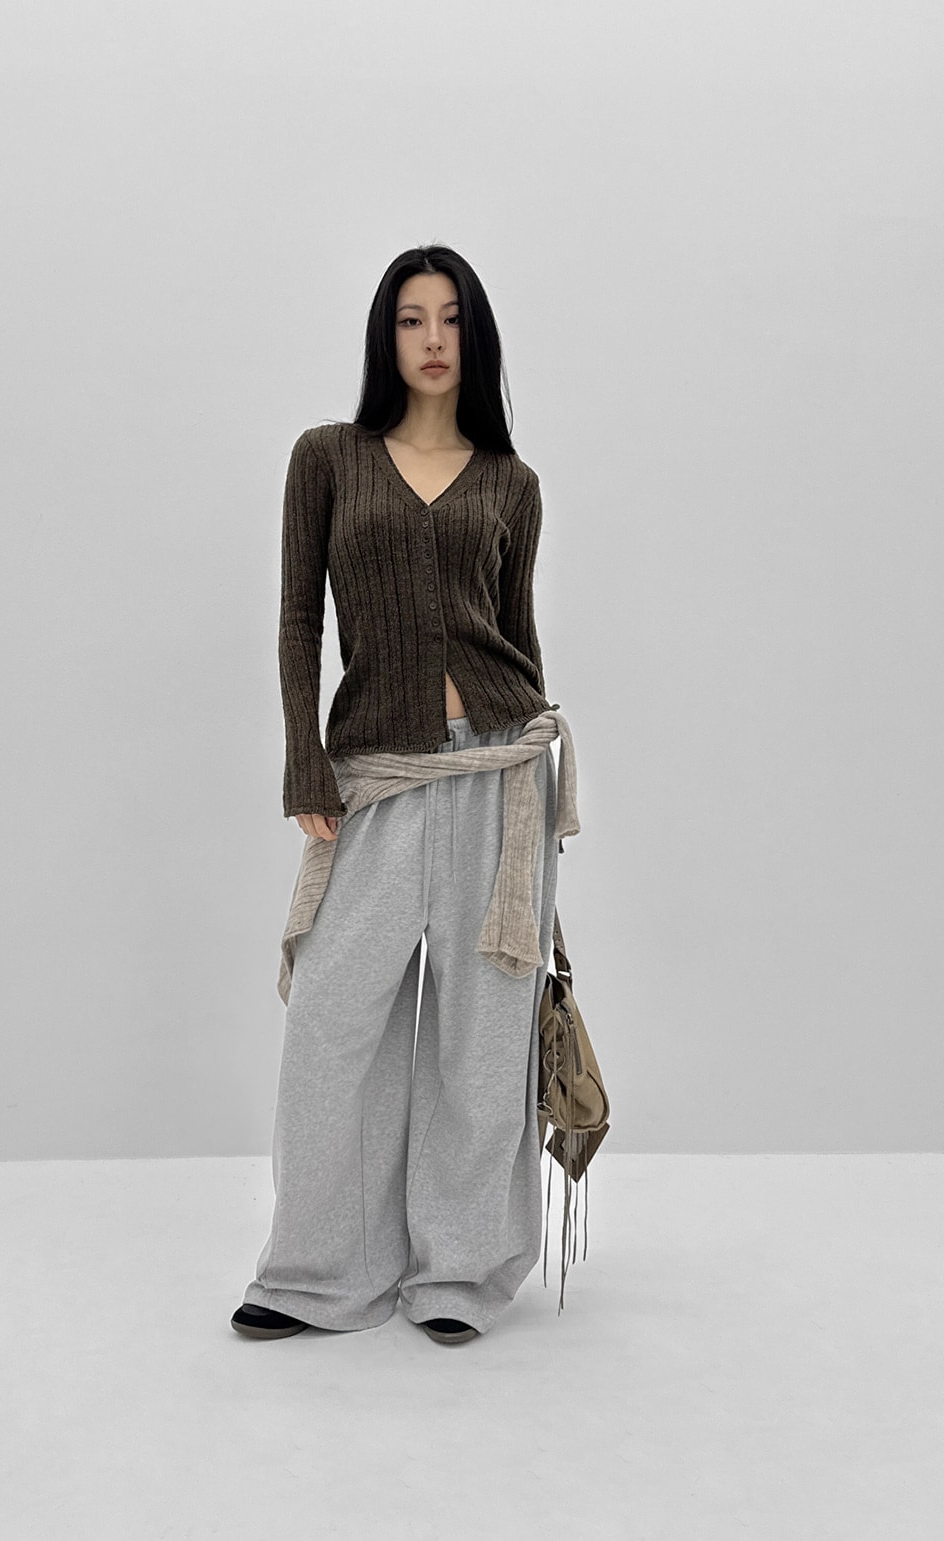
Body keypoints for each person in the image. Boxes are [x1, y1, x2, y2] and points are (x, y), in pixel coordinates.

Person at [231, 244, 571, 1346]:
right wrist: (303, 756)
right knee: (332, 1022)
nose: (432, 339)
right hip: (375, 771)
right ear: (385, 338)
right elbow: (299, 617)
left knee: (480, 1030)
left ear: (476, 338)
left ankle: (458, 1272)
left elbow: (516, 634)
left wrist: (538, 799)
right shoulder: (328, 457)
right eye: (411, 319)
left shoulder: (511, 482)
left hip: (500, 770)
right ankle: (318, 1269)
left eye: (451, 318)